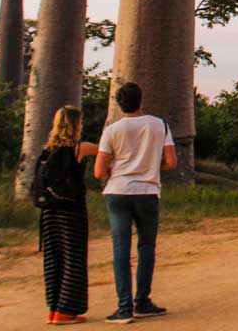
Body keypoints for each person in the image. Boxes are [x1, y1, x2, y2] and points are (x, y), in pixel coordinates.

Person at [95, 82, 177, 324]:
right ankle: (142, 302)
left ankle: (123, 308)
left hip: (118, 192)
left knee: (120, 250)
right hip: (148, 192)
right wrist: (150, 167)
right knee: (146, 247)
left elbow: (99, 170)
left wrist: (120, 170)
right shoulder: (158, 124)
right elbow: (171, 162)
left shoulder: (112, 130)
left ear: (119, 104)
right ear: (141, 100)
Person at [37, 106, 98, 326]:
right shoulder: (79, 148)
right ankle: (66, 311)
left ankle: (54, 310)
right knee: (74, 258)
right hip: (71, 212)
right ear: (75, 124)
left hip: (49, 213)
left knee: (54, 259)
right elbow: (107, 150)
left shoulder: (47, 150)